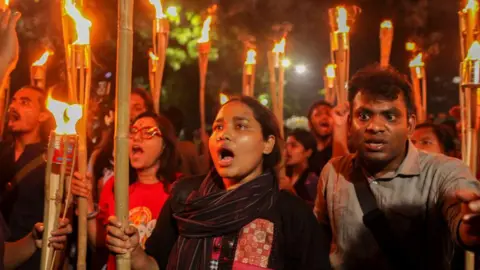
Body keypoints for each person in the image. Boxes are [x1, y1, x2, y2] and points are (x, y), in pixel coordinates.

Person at [103, 96, 331, 269]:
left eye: (240, 126)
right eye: (218, 127)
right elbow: (155, 265)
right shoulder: (185, 197)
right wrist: (133, 252)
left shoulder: (290, 214)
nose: (224, 134)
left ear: (268, 144)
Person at [314, 65, 480, 270]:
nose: (375, 126)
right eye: (364, 116)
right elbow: (316, 243)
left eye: (390, 116)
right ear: (349, 123)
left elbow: (461, 213)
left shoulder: (444, 171)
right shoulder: (333, 172)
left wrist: (470, 226)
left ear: (410, 125)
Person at [0, 9, 72, 269]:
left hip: (33, 260)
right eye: (14, 100)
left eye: (26, 102)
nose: (14, 106)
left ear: (43, 115)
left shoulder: (51, 158)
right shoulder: (2, 152)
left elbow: (62, 215)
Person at [72, 111, 180, 269]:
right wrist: (86, 204)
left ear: (164, 144)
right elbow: (101, 241)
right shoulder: (116, 184)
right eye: (133, 131)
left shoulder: (178, 189)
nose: (137, 137)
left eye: (148, 132)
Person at [284, 129, 319, 206]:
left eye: (293, 146)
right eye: (286, 145)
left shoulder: (312, 179)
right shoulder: (285, 174)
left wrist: (290, 191)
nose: (287, 150)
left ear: (308, 152)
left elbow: (314, 211)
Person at [307, 101, 333, 175]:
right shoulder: (306, 155)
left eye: (329, 114)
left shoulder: (341, 152)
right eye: (318, 114)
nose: (324, 117)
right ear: (309, 124)